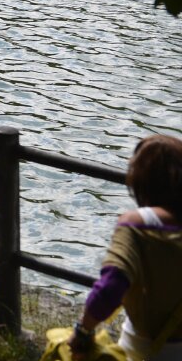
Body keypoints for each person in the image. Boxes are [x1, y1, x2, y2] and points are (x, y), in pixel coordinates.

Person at [68, 134, 182, 361]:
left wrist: (82, 332)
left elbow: (111, 287)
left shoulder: (138, 225)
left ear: (141, 181)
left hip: (144, 350)